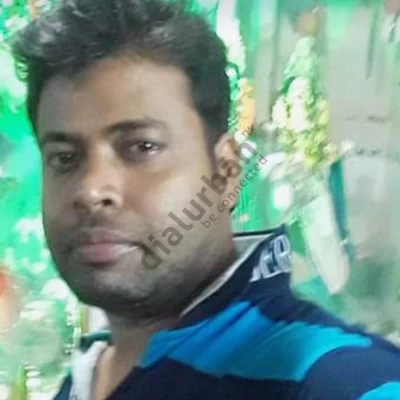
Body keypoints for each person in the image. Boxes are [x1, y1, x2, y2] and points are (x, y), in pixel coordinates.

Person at [13, 0, 400, 399]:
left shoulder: (330, 378)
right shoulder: (87, 372)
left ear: (226, 173)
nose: (91, 190)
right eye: (64, 158)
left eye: (142, 147)